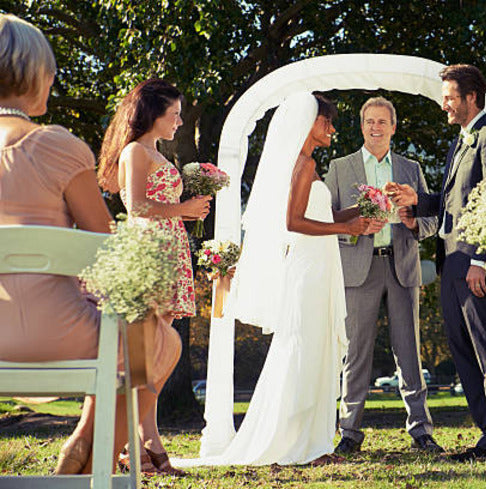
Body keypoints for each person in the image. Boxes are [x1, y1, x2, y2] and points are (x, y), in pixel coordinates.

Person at [0, 13, 163, 475]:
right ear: (33, 73)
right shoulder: (58, 146)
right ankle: (97, 470)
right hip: (58, 335)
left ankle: (82, 449)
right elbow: (106, 251)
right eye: (50, 71)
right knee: (153, 336)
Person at [175, 92, 371, 467]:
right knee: (303, 350)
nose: (331, 128)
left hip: (319, 263)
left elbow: (320, 213)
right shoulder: (303, 165)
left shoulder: (304, 164)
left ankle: (312, 441)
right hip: (309, 270)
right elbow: (293, 223)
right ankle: (298, 443)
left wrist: (358, 212)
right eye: (325, 121)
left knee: (312, 350)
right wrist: (345, 226)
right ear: (308, 123)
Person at [387, 64, 486, 461]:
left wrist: (483, 259)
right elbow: (452, 203)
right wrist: (416, 202)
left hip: (475, 265)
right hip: (451, 262)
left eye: (449, 97)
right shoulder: (460, 142)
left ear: (471, 98)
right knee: (463, 351)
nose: (443, 104)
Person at [97, 78, 211, 475]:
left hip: (171, 247)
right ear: (153, 114)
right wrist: (184, 209)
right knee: (147, 355)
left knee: (155, 355)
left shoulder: (157, 152)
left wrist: (190, 209)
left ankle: (143, 445)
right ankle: (144, 445)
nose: (180, 121)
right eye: (174, 114)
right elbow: (138, 206)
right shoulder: (135, 151)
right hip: (150, 252)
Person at [324, 96, 440, 454]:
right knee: (356, 353)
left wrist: (413, 221)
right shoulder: (340, 168)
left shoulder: (410, 168)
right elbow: (327, 219)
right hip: (359, 269)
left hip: (402, 266)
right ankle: (349, 432)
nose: (376, 127)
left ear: (393, 127)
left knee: (409, 352)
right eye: (369, 121)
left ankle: (421, 430)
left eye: (382, 122)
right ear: (362, 127)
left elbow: (432, 219)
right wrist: (355, 228)